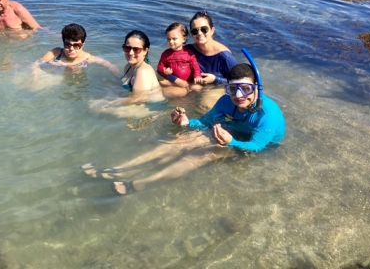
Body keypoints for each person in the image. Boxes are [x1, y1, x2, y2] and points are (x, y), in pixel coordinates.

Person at [83, 62, 286, 195]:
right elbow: (206, 121)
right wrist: (186, 123)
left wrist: (231, 142)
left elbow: (257, 146)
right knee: (178, 142)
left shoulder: (267, 115)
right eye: (233, 88)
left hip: (255, 144)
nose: (239, 95)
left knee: (201, 154)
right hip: (232, 132)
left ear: (257, 89)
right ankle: (118, 170)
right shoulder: (226, 101)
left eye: (246, 89)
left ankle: (139, 184)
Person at [160, 11, 237, 107]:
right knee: (159, 92)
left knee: (205, 103)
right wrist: (175, 80)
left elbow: (241, 82)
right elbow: (162, 68)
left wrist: (215, 79)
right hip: (190, 85)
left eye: (204, 29)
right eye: (195, 31)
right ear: (191, 34)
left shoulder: (225, 57)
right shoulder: (188, 50)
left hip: (216, 88)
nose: (199, 33)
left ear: (212, 30)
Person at [34, 23, 119, 75]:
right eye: (67, 45)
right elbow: (36, 63)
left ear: (82, 45)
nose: (71, 49)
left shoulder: (87, 59)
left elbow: (108, 65)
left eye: (76, 46)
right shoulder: (56, 53)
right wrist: (34, 76)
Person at [157, 22, 202, 93]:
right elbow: (160, 66)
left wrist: (197, 76)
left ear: (183, 39)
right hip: (172, 81)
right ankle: (176, 87)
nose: (171, 42)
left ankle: (188, 91)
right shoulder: (166, 53)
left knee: (197, 87)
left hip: (188, 81)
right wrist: (164, 70)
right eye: (168, 39)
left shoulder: (188, 53)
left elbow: (195, 66)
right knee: (162, 82)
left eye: (174, 39)